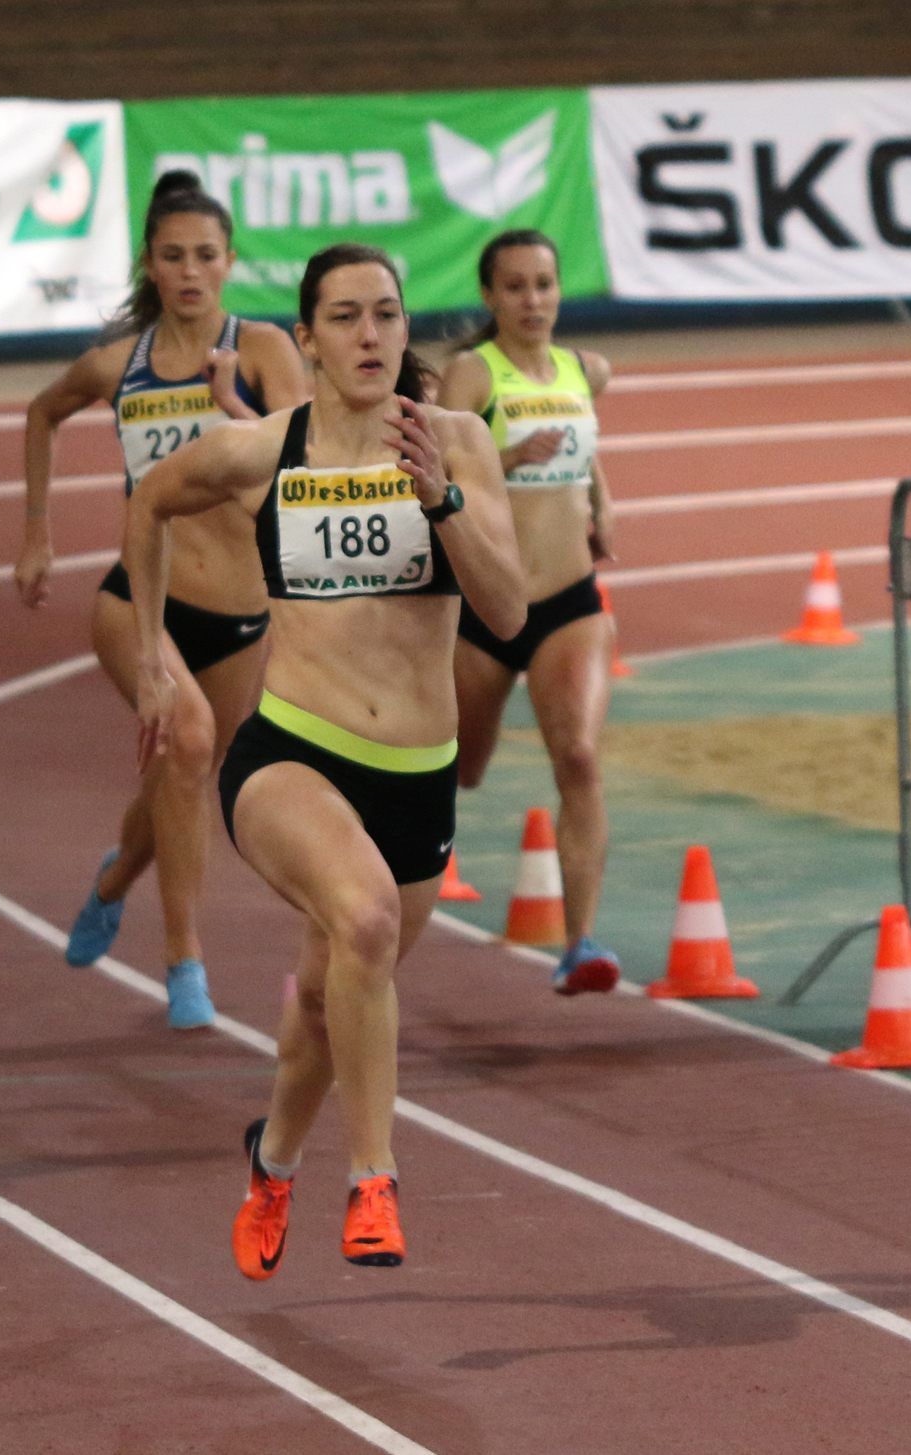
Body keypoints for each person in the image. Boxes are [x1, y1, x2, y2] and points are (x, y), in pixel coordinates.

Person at [124, 243, 524, 1276]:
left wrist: (440, 501)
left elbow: (508, 609)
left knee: (323, 993)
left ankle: (272, 1160)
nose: (368, 335)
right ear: (305, 339)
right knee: (363, 920)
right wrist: (150, 658)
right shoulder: (262, 451)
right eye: (342, 318)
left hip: (415, 773)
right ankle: (374, 1181)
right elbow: (149, 503)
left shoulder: (458, 444)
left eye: (385, 315)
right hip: (290, 753)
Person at [15, 170, 308, 1030]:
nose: (190, 271)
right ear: (149, 262)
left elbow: (306, 449)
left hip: (241, 613)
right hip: (139, 600)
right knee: (187, 741)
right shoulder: (121, 364)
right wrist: (36, 531)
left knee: (185, 770)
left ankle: (113, 879)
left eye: (206, 256)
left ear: (231, 261)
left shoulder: (260, 351)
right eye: (173, 255)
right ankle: (185, 964)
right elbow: (42, 412)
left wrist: (237, 407)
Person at [437, 229, 620, 995]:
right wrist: (508, 459)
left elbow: (585, 447)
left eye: (544, 284)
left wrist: (602, 502)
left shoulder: (587, 369)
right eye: (514, 287)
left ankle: (579, 944)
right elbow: (440, 465)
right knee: (463, 769)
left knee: (576, 757)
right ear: (489, 295)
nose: (532, 300)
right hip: (488, 607)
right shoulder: (473, 375)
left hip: (570, 600)